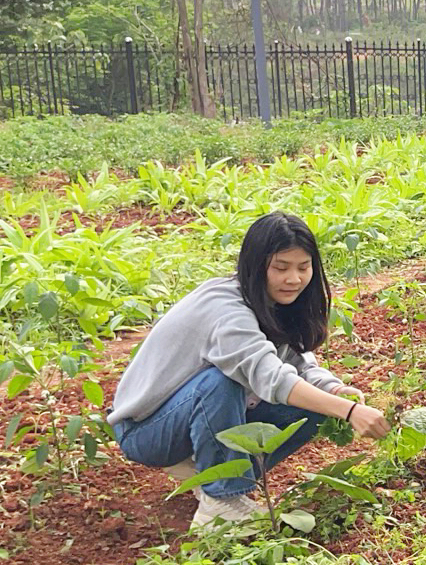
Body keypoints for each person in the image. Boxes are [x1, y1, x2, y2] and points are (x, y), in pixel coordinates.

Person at [108, 211, 389, 529]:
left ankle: (210, 476)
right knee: (219, 380)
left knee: (318, 404)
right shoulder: (226, 309)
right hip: (148, 430)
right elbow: (270, 376)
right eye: (280, 268)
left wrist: (335, 391)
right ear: (256, 266)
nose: (294, 279)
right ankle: (220, 501)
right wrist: (350, 412)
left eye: (303, 267)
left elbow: (300, 364)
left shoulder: (278, 302)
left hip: (193, 416)